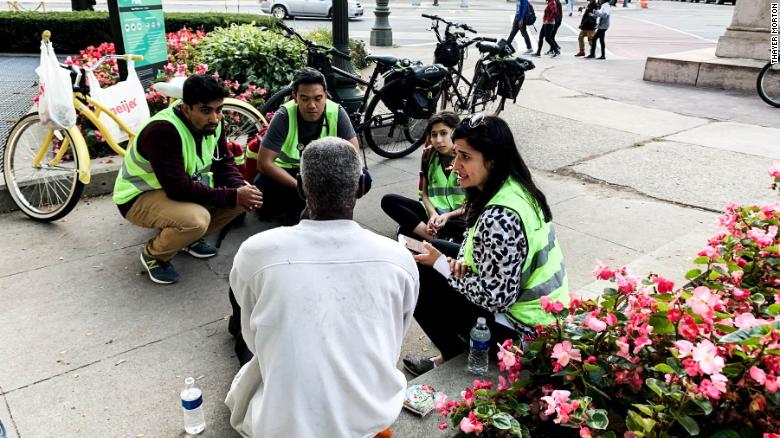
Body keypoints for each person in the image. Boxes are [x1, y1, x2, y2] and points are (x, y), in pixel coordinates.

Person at [225, 137, 419, 438]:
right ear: (359, 188)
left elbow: (253, 338)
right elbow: (394, 334)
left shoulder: (256, 252)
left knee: (251, 342)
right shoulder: (398, 258)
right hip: (369, 417)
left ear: (301, 187)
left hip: (281, 425)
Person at [402, 114, 570, 376]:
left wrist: (444, 268)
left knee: (419, 272)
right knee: (437, 250)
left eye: (465, 157)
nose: (455, 165)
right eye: (456, 155)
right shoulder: (514, 186)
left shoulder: (500, 216)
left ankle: (451, 352)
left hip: (524, 332)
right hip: (541, 312)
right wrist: (452, 262)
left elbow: (497, 298)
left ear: (492, 161)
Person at [113, 75, 262, 285]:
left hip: (175, 190)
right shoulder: (163, 131)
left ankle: (187, 240)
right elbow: (178, 189)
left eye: (218, 110)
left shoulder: (214, 124)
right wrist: (234, 195)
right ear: (186, 108)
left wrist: (240, 189)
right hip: (137, 197)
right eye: (206, 110)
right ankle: (154, 255)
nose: (215, 118)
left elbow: (224, 164)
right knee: (196, 220)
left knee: (244, 196)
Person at [255, 67, 359, 225]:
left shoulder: (336, 112)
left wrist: (330, 186)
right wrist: (301, 187)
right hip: (291, 175)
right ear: (295, 97)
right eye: (305, 98)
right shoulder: (284, 115)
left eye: (318, 98)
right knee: (261, 186)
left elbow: (354, 156)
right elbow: (264, 163)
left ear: (326, 95)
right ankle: (300, 206)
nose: (312, 105)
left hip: (323, 172)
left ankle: (330, 208)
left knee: (364, 178)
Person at [381, 112, 466, 242]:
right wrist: (433, 214)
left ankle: (425, 235)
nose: (438, 140)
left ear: (455, 133)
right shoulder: (428, 155)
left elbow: (475, 203)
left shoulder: (467, 158)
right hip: (434, 215)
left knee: (406, 230)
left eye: (444, 133)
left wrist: (448, 216)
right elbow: (424, 195)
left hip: (460, 218)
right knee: (389, 201)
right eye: (434, 135)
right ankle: (435, 238)